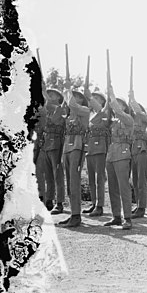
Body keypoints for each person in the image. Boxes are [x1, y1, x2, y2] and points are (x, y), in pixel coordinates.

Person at [102, 86, 135, 230]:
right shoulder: (113, 121)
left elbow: (119, 112)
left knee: (123, 187)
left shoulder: (128, 119)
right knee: (112, 187)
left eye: (119, 103)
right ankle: (116, 216)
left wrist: (112, 97)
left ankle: (127, 217)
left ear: (124, 107)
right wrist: (106, 104)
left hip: (122, 153)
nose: (116, 106)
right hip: (111, 154)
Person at [58, 89, 90, 227]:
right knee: (69, 182)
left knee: (74, 181)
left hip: (77, 147)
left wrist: (68, 89)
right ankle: (73, 213)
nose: (75, 98)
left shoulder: (84, 110)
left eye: (79, 97)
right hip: (67, 148)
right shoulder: (69, 114)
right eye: (74, 96)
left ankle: (76, 215)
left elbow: (73, 105)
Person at [83, 90, 109, 217]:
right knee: (91, 179)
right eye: (93, 98)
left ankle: (99, 206)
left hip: (100, 148)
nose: (94, 100)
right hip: (91, 149)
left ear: (102, 101)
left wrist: (88, 96)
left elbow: (100, 109)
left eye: (97, 98)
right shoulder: (91, 114)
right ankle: (94, 203)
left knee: (99, 179)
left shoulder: (105, 112)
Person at [41, 88, 67, 214]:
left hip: (56, 144)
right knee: (48, 176)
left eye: (52, 95)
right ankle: (49, 200)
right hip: (47, 144)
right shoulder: (47, 110)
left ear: (58, 97)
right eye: (48, 94)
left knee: (58, 175)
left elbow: (54, 120)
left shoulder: (60, 109)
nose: (49, 96)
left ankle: (60, 202)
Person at [128, 91, 147, 219]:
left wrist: (132, 100)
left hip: (142, 150)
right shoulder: (131, 120)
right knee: (135, 180)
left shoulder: (144, 118)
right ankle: (138, 204)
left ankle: (142, 207)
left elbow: (138, 111)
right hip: (133, 151)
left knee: (141, 180)